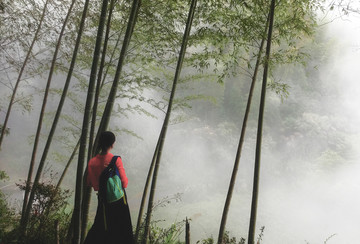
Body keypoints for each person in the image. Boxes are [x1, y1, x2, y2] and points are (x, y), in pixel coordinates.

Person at [84, 131, 134, 244]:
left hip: (104, 202)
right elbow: (124, 183)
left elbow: (92, 185)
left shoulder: (92, 162)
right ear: (113, 144)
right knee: (122, 231)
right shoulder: (116, 160)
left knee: (102, 228)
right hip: (119, 202)